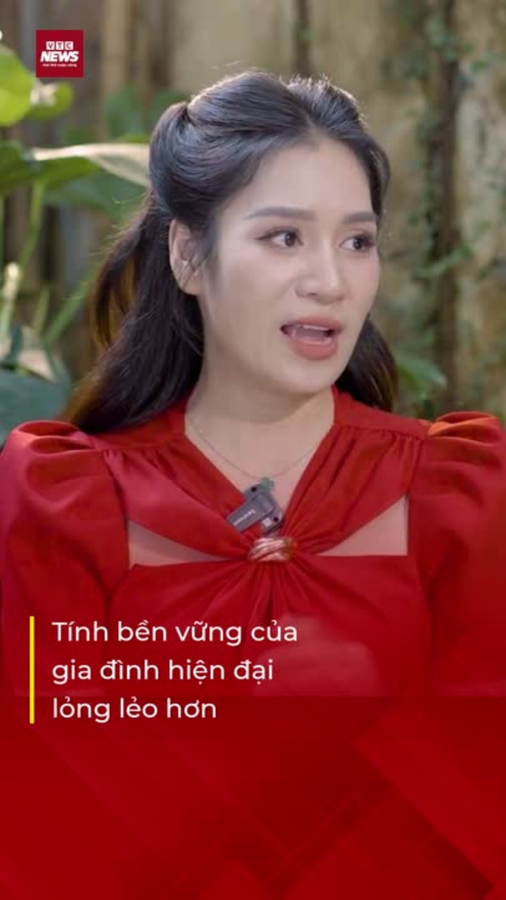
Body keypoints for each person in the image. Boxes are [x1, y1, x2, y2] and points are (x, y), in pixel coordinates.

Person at [1, 68, 506, 701]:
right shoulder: (66, 501)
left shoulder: (456, 491)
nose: (330, 282)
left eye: (357, 241)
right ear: (188, 255)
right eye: (285, 237)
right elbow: (40, 733)